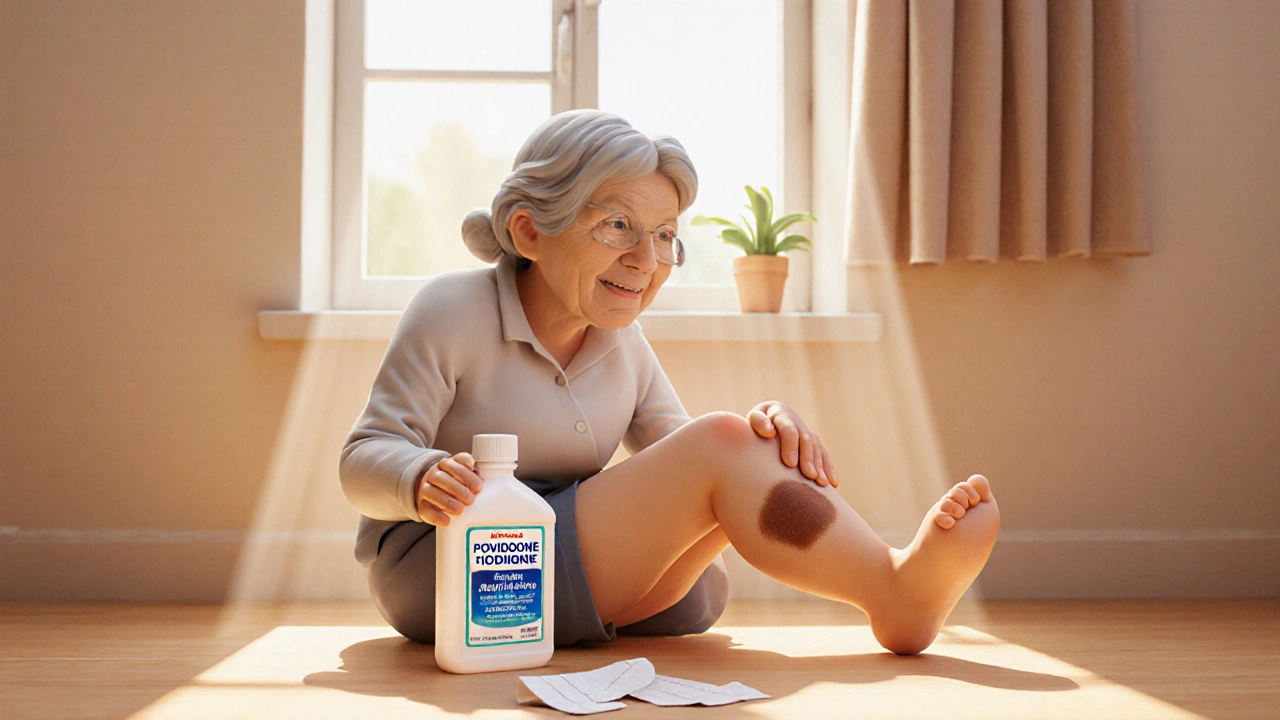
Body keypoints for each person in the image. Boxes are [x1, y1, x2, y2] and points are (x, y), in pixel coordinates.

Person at [339, 109, 1000, 655]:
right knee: (724, 446)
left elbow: (687, 457)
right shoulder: (451, 310)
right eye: (618, 225)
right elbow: (361, 459)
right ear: (529, 231)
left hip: (556, 552)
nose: (646, 260)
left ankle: (891, 582)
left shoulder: (622, 340)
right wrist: (422, 478)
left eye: (664, 235)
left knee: (740, 452)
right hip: (452, 566)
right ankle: (892, 587)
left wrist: (762, 439)